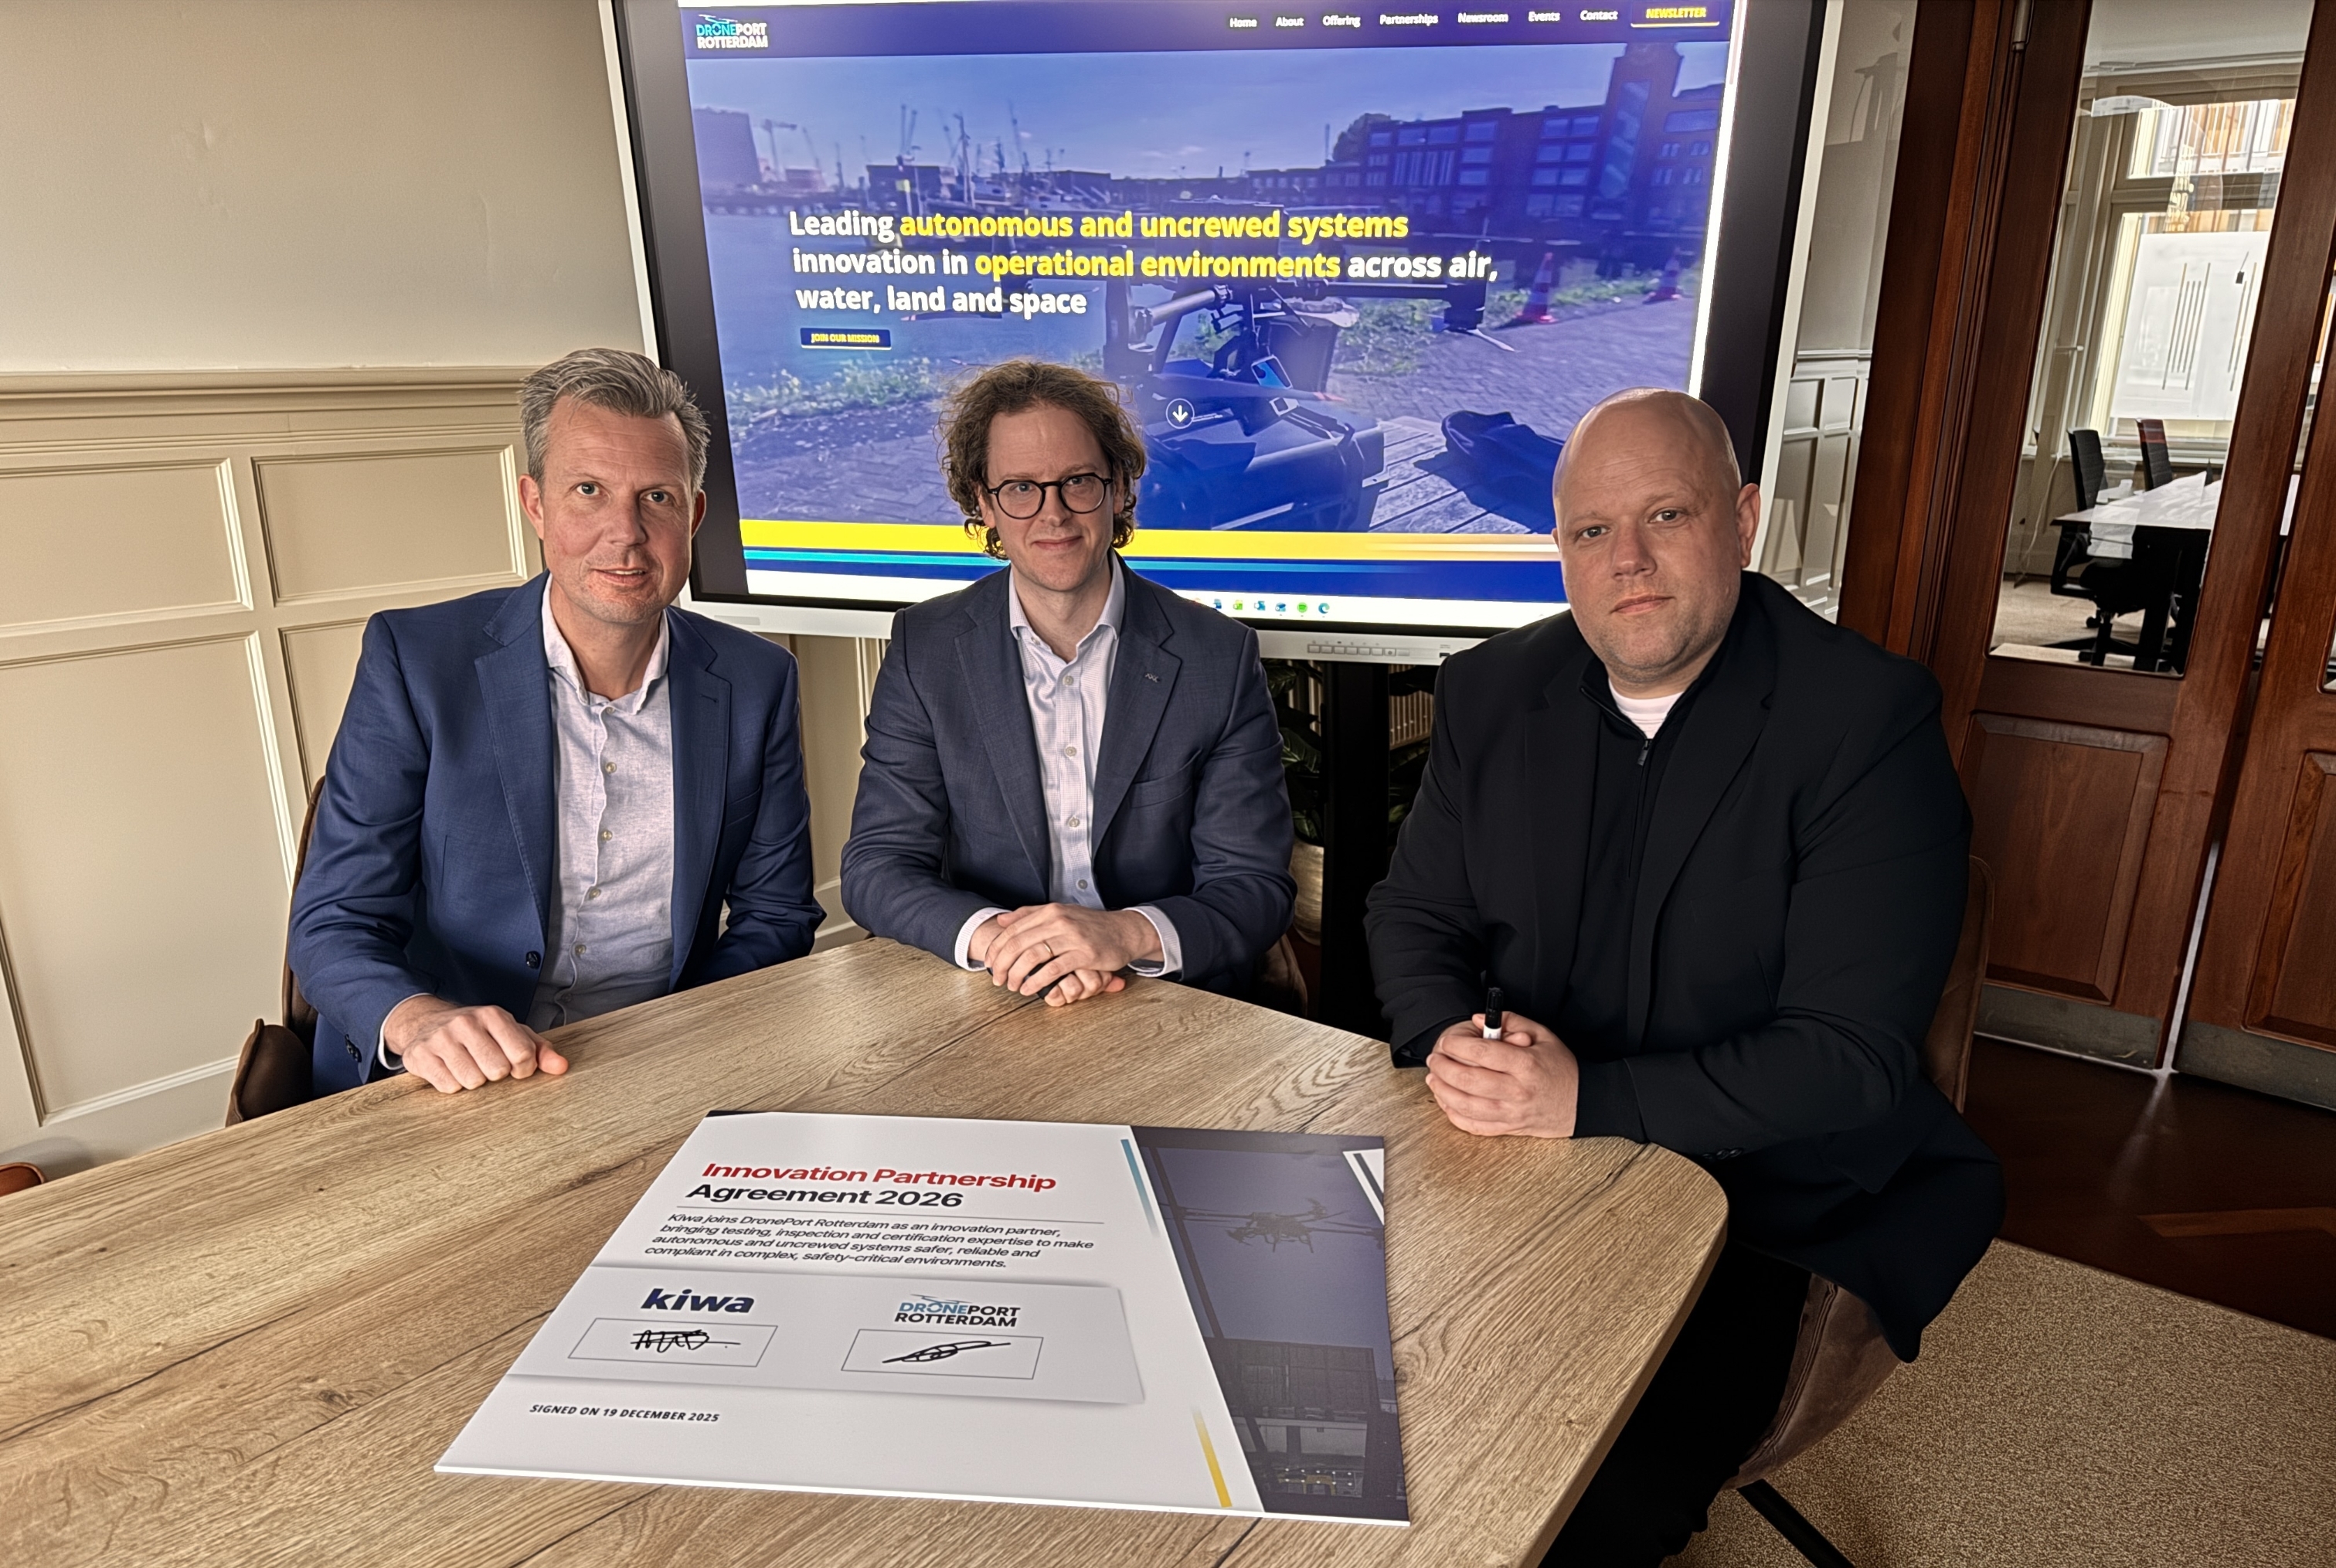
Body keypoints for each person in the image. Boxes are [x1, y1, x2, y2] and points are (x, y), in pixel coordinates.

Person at [1365, 389, 2002, 1565]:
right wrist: (1449, 1039)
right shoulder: (1490, 692)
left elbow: (1849, 1059)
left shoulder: (1863, 719)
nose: (1628, 562)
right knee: (1320, 1390)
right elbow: (1413, 913)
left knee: (1563, 1503)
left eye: (1665, 513)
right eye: (1589, 531)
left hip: (1758, 1208)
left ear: (1743, 518)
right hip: (1503, 1164)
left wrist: (1585, 1103)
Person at [290, 348, 824, 1096]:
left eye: (657, 499)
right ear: (535, 504)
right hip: (443, 1082)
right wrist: (417, 1021)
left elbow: (775, 917)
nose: (626, 533)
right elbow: (333, 920)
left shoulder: (758, 683)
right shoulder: (416, 662)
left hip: (658, 1070)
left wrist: (674, 1040)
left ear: (693, 515)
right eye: (588, 491)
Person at [842, 359, 1293, 1003]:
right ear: (983, 504)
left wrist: (1123, 935)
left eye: (1077, 482)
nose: (1051, 514)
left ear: (1117, 489)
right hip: (993, 988)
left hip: (1170, 997)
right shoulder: (927, 648)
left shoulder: (1217, 656)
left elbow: (1252, 887)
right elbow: (877, 866)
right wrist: (1016, 946)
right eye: (1020, 488)